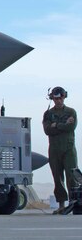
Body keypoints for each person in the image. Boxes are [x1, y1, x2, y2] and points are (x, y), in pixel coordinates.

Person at [43, 86, 78, 214]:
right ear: (53, 98)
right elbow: (47, 130)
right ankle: (61, 205)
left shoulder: (71, 112)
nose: (58, 101)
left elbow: (71, 127)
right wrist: (63, 125)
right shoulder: (48, 114)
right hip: (54, 149)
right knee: (57, 178)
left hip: (69, 149)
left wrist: (56, 125)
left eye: (60, 98)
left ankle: (74, 203)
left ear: (64, 97)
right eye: (56, 98)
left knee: (72, 176)